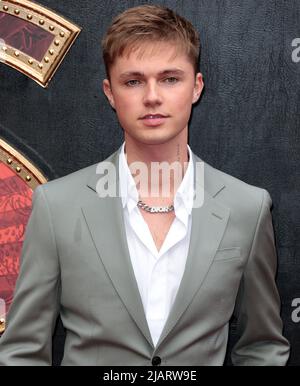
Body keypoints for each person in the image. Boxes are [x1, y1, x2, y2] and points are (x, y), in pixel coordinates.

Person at [0, 5, 290, 366]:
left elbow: (262, 347)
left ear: (196, 87)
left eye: (170, 78)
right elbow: (22, 351)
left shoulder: (247, 207)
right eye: (133, 81)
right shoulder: (56, 206)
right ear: (110, 92)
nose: (152, 96)